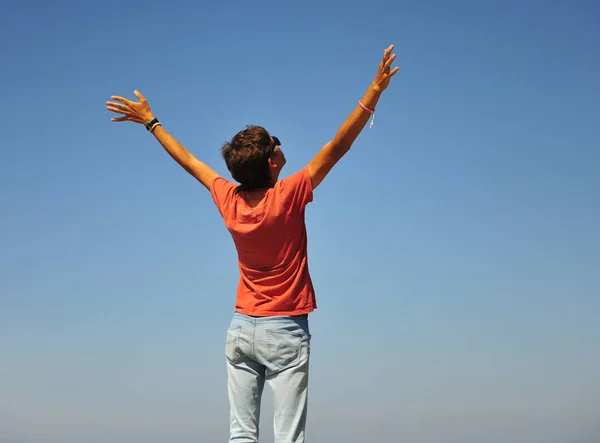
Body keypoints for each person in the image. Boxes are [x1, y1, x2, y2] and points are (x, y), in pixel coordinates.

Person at [105, 44, 399, 443]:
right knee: (287, 437)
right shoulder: (289, 195)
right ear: (273, 163)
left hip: (241, 328)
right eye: (276, 144)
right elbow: (338, 146)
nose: (280, 146)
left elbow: (189, 160)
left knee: (241, 435)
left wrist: (151, 122)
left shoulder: (228, 198)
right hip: (286, 330)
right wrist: (375, 90)